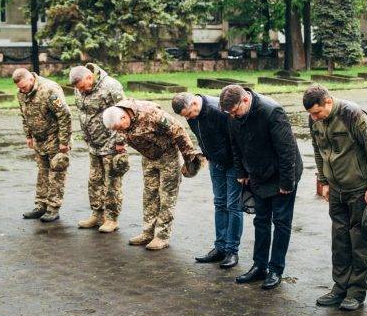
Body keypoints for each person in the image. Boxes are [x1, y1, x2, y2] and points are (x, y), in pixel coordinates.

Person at [305, 85, 367, 311]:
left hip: (359, 189)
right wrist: (324, 181)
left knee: (359, 242)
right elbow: (317, 150)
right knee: (339, 241)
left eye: (317, 112)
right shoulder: (315, 120)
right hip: (336, 190)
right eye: (311, 114)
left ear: (328, 102)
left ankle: (356, 293)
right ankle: (339, 288)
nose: (314, 118)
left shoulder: (353, 115)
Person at [219, 84, 302, 290]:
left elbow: (287, 150)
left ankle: (276, 269)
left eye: (235, 111)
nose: (233, 116)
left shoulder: (272, 111)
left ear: (245, 100)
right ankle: (259, 266)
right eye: (230, 113)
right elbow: (235, 146)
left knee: (281, 222)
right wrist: (241, 172)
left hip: (281, 174)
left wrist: (286, 182)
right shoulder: (233, 115)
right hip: (257, 174)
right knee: (261, 221)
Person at [102, 100, 202, 251]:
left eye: (119, 128)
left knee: (167, 196)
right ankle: (147, 233)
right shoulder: (119, 116)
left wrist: (189, 160)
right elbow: (121, 136)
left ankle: (162, 236)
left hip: (168, 154)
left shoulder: (151, 114)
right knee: (149, 195)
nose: (119, 132)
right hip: (148, 156)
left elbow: (179, 131)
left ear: (124, 118)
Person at [172, 92, 243, 268]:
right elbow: (201, 135)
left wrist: (241, 167)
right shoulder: (191, 113)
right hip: (215, 162)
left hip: (233, 163)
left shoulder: (218, 110)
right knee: (219, 203)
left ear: (195, 103)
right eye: (185, 117)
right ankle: (220, 248)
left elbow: (237, 137)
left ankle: (232, 251)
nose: (188, 118)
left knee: (233, 205)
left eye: (189, 114)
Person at [69, 64, 128, 233]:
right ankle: (97, 214)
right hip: (93, 143)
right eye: (77, 89)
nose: (80, 91)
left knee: (112, 183)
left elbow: (124, 113)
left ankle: (111, 218)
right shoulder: (79, 88)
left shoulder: (111, 86)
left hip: (111, 142)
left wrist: (120, 142)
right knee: (94, 180)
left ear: (89, 77)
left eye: (82, 87)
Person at [14, 67, 72, 223]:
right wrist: (28, 136)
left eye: (24, 87)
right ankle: (41, 205)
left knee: (56, 174)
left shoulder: (49, 89)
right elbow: (24, 115)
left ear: (31, 79)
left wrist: (64, 142)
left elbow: (65, 116)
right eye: (19, 88)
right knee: (42, 173)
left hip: (56, 139)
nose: (22, 91)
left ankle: (53, 208)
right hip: (39, 140)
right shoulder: (21, 93)